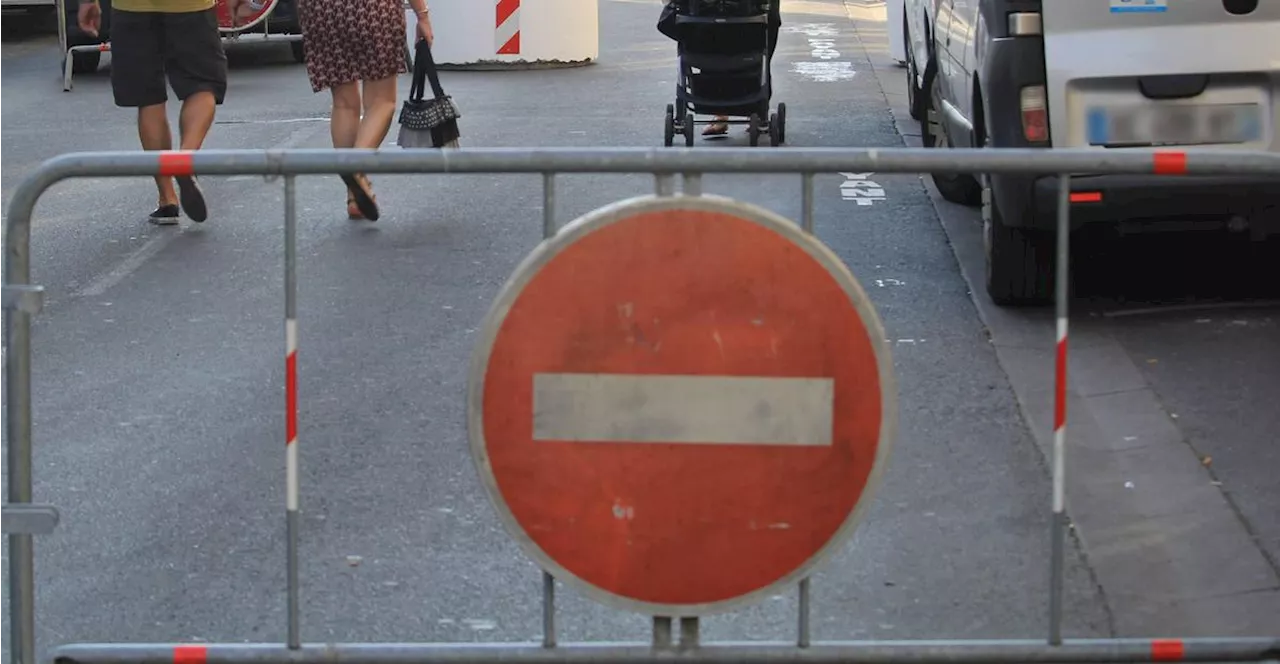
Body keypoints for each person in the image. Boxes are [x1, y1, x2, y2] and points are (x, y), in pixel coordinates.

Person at [77, 0, 226, 225]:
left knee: (148, 98)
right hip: (191, 6)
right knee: (202, 86)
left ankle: (167, 199)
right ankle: (185, 157)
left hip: (131, 7)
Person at [301, 0, 434, 221]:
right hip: (373, 9)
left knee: (344, 103)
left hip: (320, 10)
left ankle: (354, 195)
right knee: (382, 101)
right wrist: (422, 14)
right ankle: (356, 170)